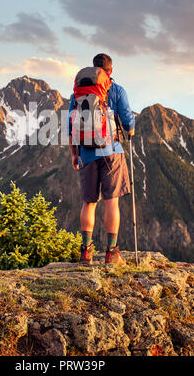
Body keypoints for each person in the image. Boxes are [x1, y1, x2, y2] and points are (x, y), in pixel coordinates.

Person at [68, 53, 135, 266]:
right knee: (111, 202)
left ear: (93, 69)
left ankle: (86, 253)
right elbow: (127, 119)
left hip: (86, 152)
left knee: (88, 202)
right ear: (110, 71)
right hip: (111, 151)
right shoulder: (117, 90)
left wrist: (74, 154)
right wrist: (130, 130)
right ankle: (111, 253)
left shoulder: (78, 93)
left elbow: (70, 126)